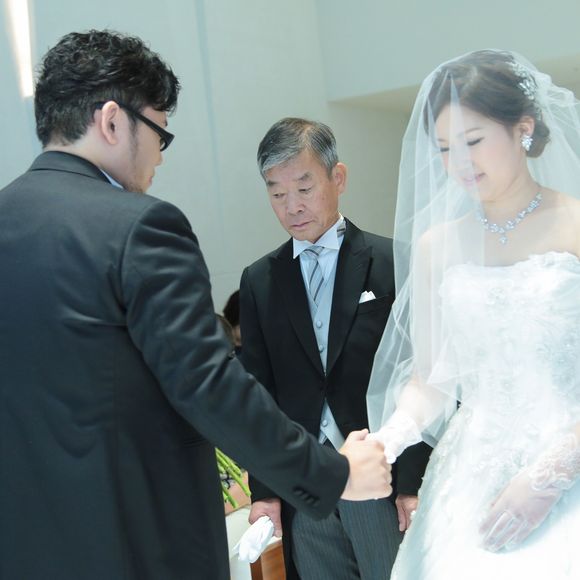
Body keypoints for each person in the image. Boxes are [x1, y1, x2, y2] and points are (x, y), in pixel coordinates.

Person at [0, 30, 393, 580]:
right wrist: (334, 474)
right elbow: (211, 387)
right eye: (160, 133)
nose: (159, 157)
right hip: (138, 539)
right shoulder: (139, 227)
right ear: (112, 122)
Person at [367, 49, 580, 579]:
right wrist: (389, 438)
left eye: (473, 141)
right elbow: (431, 379)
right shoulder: (436, 247)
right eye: (444, 149)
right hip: (470, 474)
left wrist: (552, 475)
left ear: (522, 129)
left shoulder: (575, 225)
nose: (459, 162)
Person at [240, 118, 431, 580]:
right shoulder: (259, 280)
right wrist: (265, 492)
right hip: (306, 486)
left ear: (338, 178)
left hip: (383, 477)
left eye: (304, 188)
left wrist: (413, 480)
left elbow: (423, 372)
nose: (292, 206)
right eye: (277, 194)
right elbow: (258, 392)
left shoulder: (396, 262)